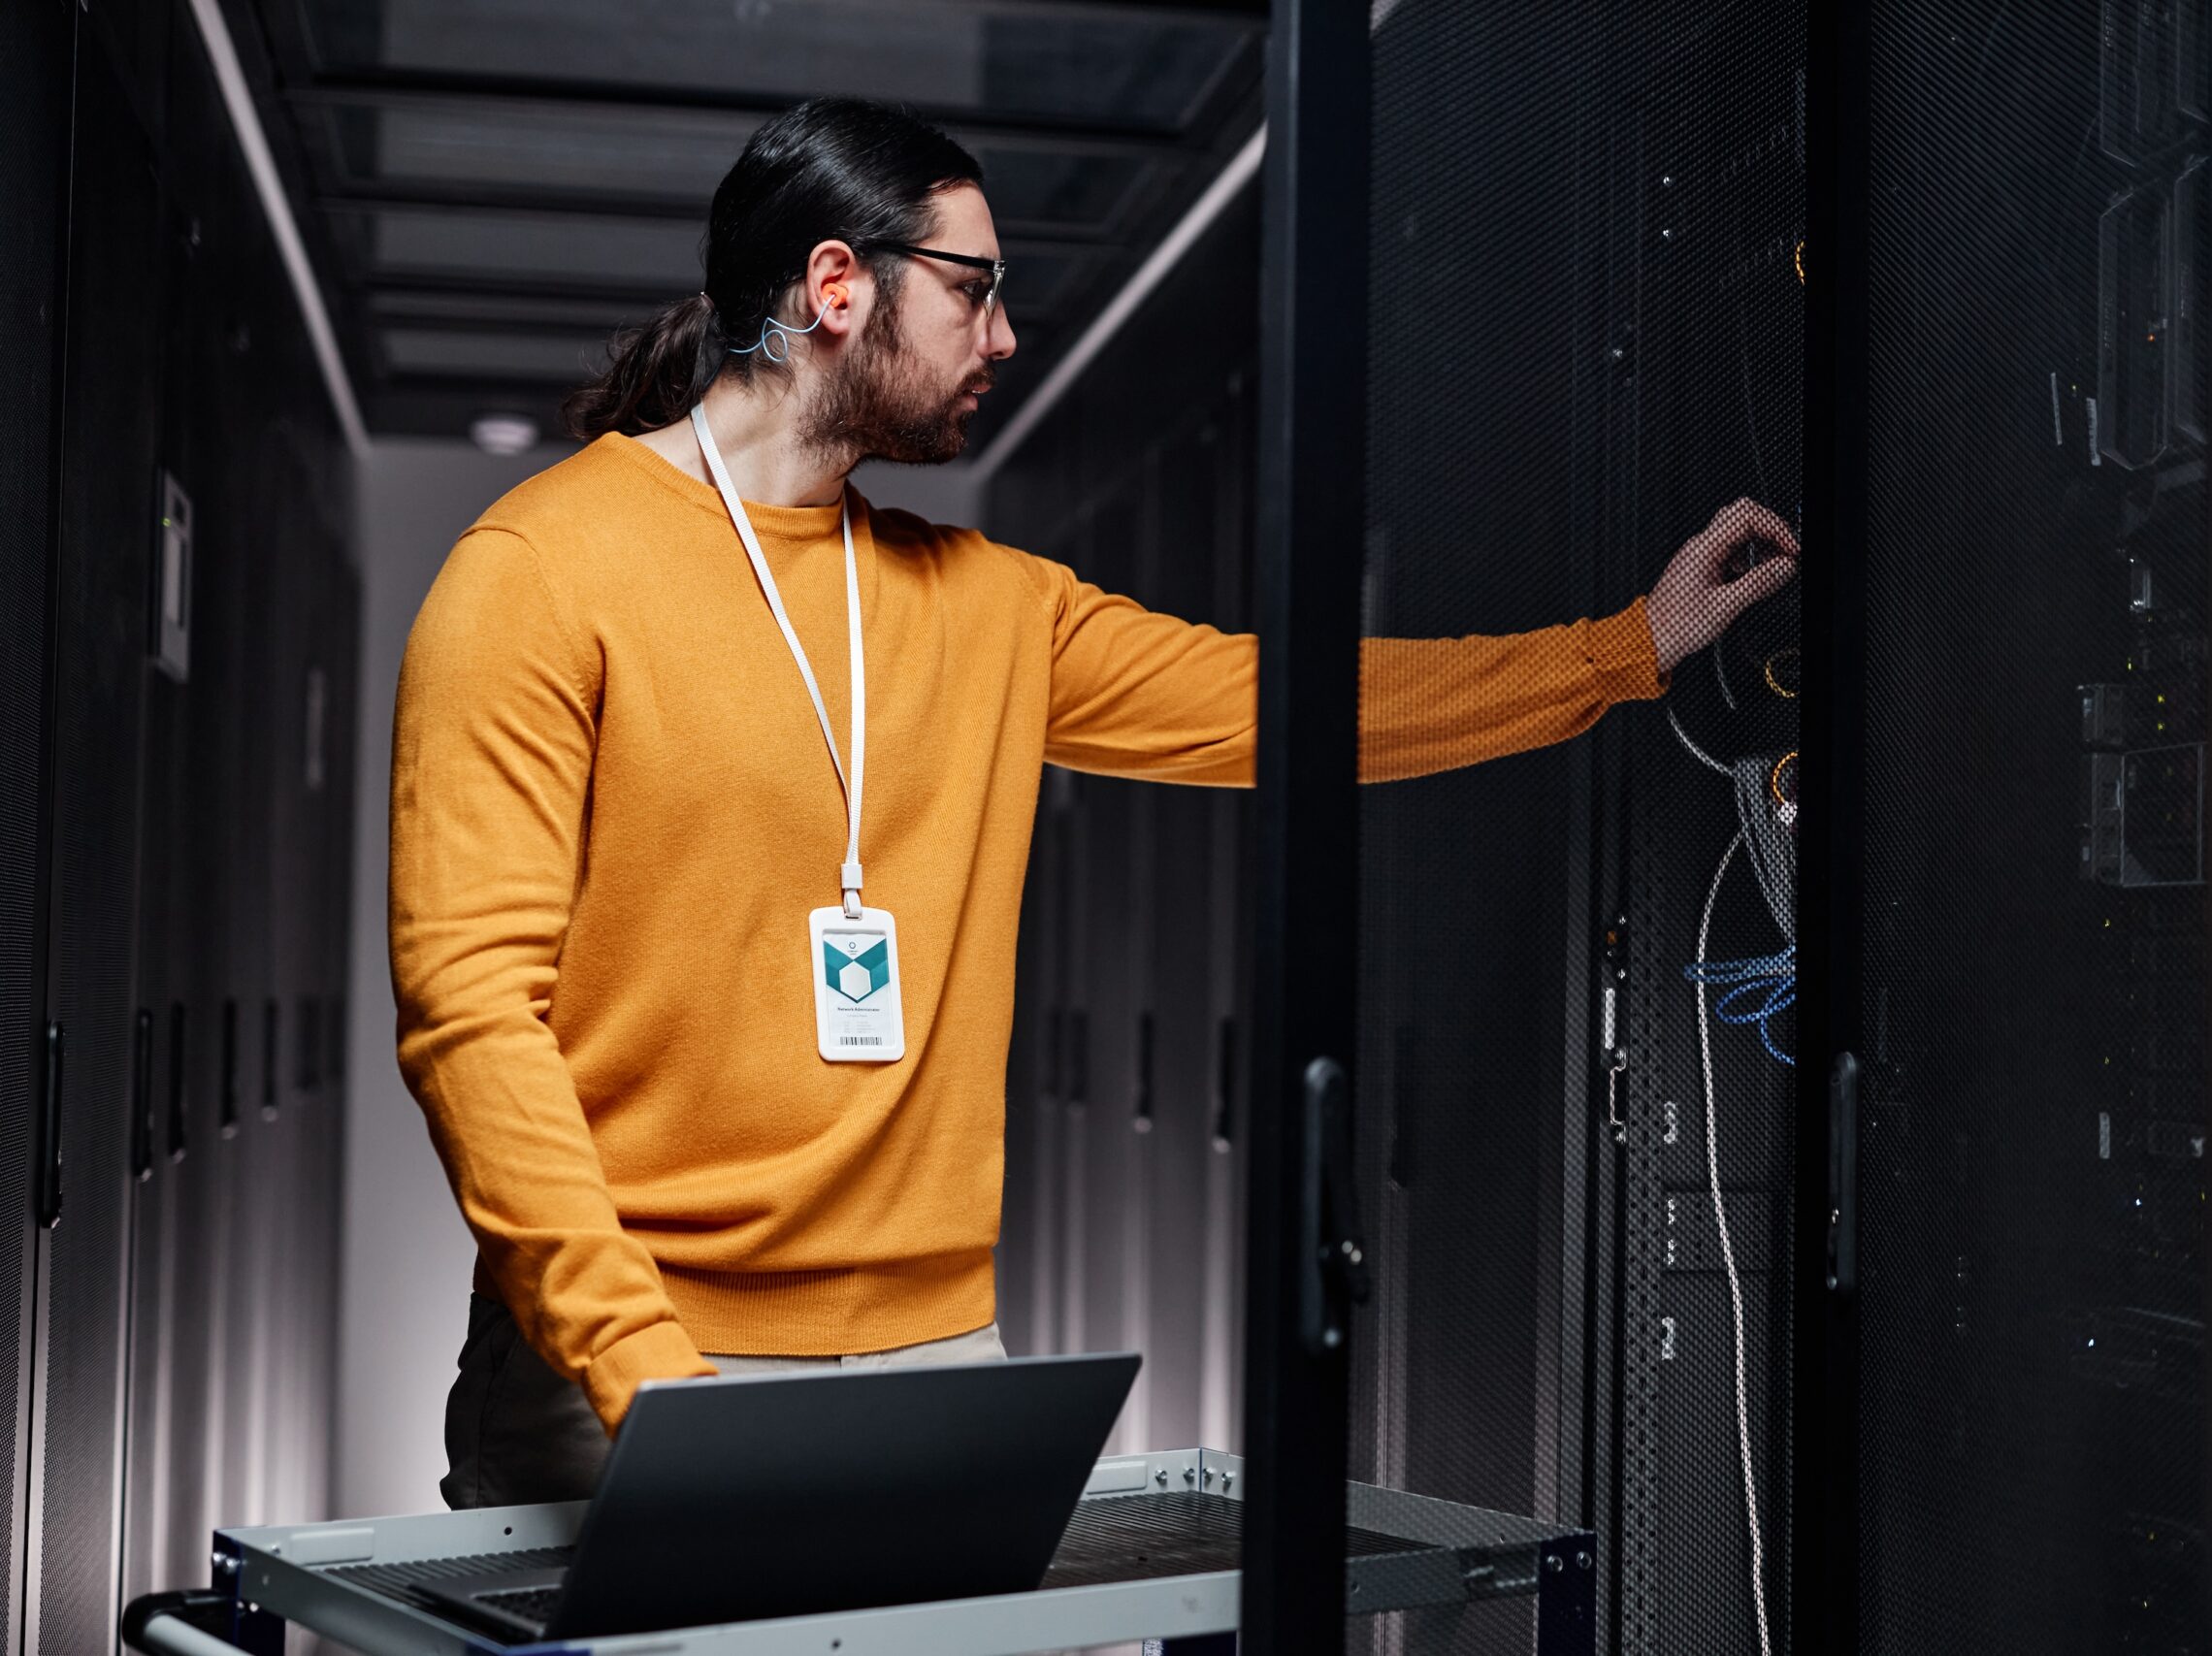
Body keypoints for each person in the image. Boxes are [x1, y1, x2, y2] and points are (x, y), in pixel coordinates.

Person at [393, 95, 1796, 1509]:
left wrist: (1627, 649)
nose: (1001, 337)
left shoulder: (990, 606)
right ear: (835, 287)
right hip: (620, 1372)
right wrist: (640, 1369)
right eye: (973, 289)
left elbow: (1292, 706)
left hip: (932, 1361)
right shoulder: (536, 574)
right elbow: (469, 1013)